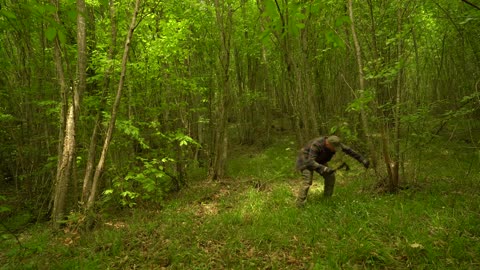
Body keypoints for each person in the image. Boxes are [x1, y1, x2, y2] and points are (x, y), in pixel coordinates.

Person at [295, 135, 369, 206]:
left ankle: (327, 199)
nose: (335, 149)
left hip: (319, 159)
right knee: (307, 181)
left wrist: (362, 159)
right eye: (334, 148)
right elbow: (310, 162)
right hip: (306, 160)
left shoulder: (335, 142)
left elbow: (349, 151)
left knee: (330, 176)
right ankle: (300, 203)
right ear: (328, 144)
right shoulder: (317, 145)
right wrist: (324, 168)